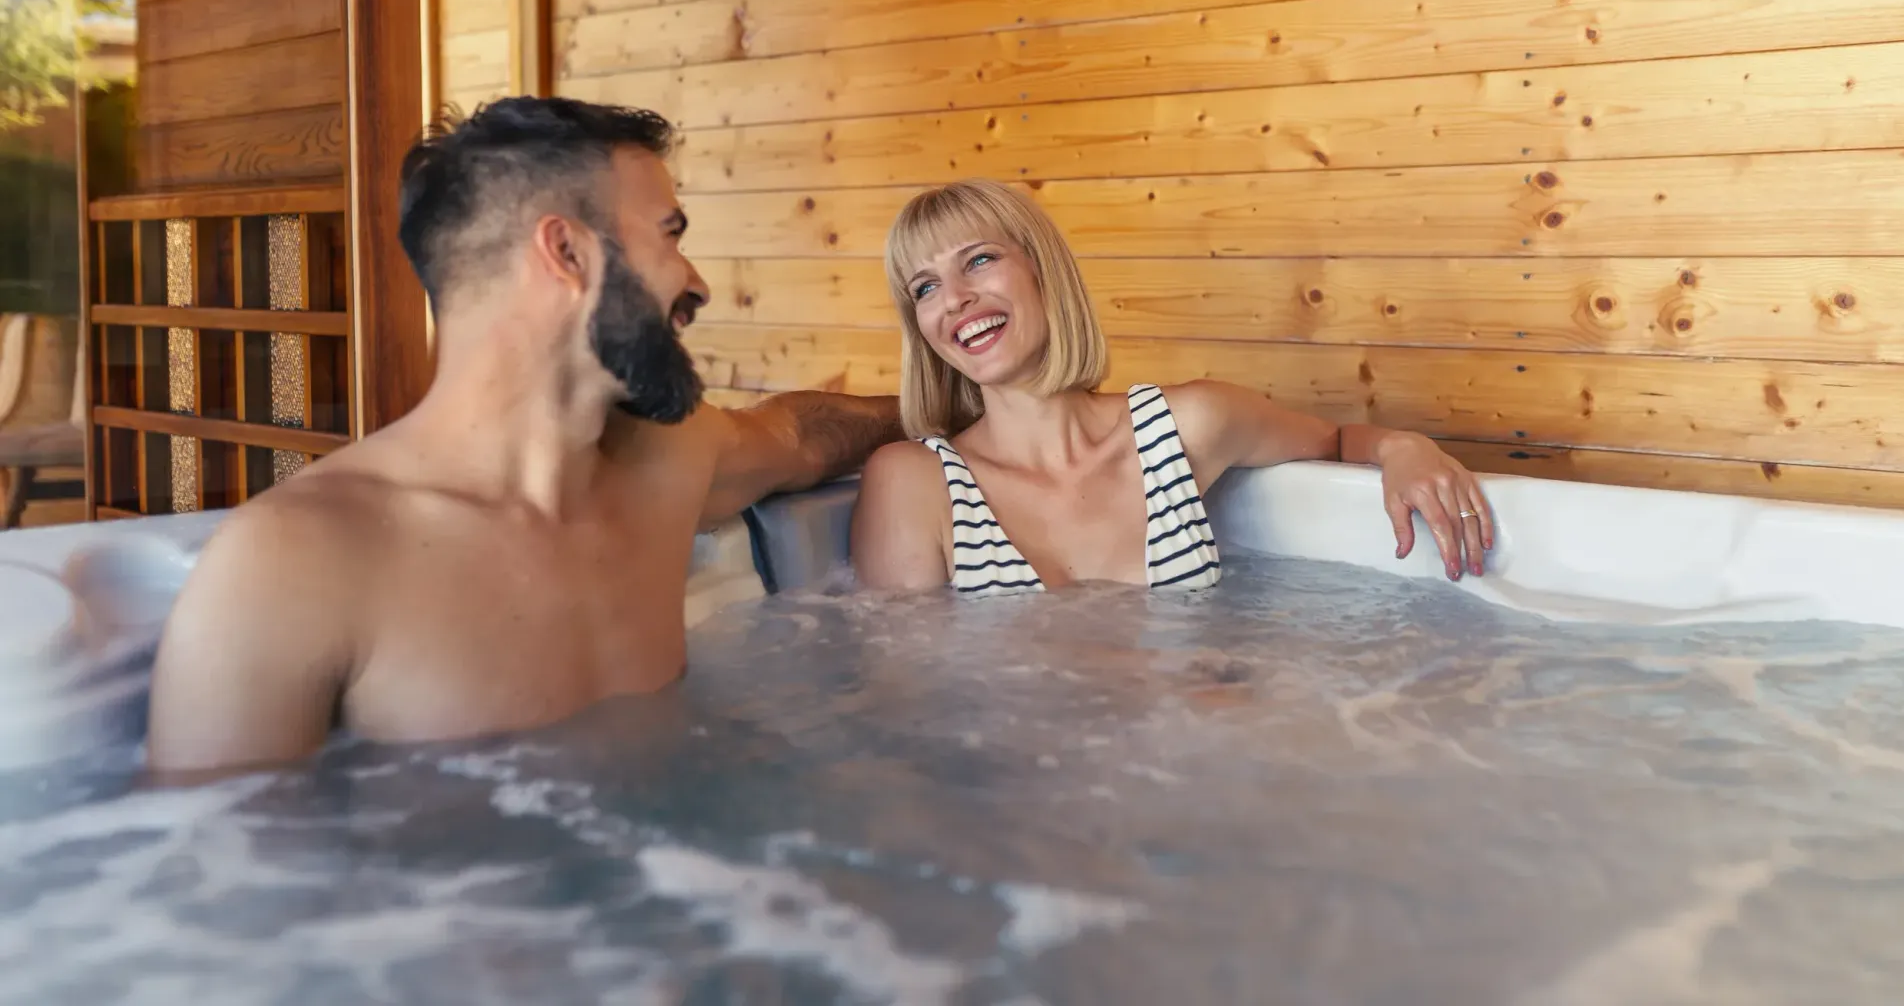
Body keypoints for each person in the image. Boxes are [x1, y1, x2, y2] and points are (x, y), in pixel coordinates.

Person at [146, 99, 902, 775]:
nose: (696, 282)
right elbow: (220, 894)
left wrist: (945, 403)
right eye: (669, 236)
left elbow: (802, 436)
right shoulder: (295, 562)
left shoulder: (671, 456)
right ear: (567, 253)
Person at [850, 179, 1493, 596]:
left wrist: (1403, 449)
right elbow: (910, 707)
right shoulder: (914, 481)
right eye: (925, 288)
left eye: (979, 260)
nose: (956, 300)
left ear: (1044, 270)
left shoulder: (1186, 426)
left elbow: (1340, 439)